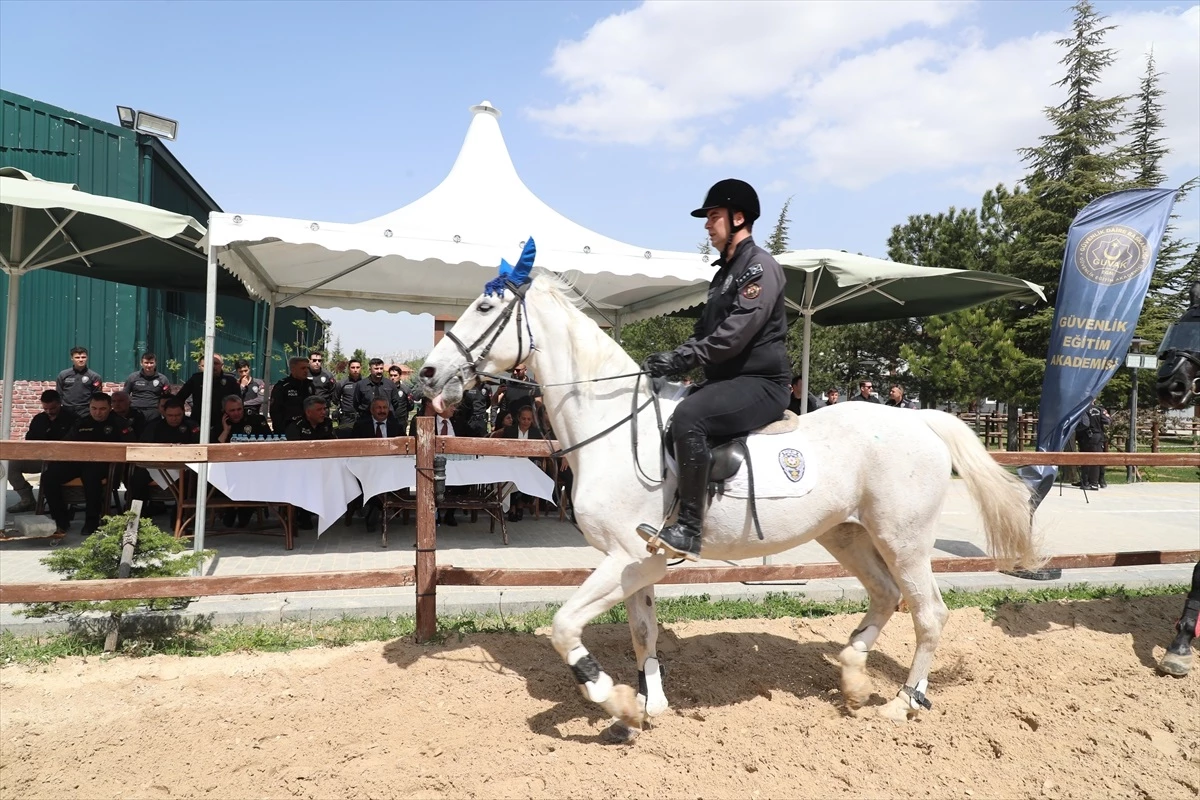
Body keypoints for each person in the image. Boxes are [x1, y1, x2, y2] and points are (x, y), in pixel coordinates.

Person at [639, 179, 790, 561]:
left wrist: (683, 360)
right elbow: (705, 332)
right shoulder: (723, 275)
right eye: (707, 218)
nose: (707, 225)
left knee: (690, 417)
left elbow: (734, 335)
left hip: (761, 383)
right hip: (727, 380)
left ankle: (689, 528)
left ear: (738, 218)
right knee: (667, 412)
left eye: (713, 216)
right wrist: (673, 357)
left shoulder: (760, 267)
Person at [42, 393, 134, 536]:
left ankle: (92, 522)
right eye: (94, 408)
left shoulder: (119, 423)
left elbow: (131, 446)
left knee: (91, 477)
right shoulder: (82, 422)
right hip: (78, 462)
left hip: (105, 465)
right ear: (89, 407)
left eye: (102, 409)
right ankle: (61, 520)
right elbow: (66, 443)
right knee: (49, 476)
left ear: (110, 408)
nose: (98, 412)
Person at [6, 389, 77, 514]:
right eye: (46, 409)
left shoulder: (72, 419)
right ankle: (27, 500)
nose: (49, 412)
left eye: (53, 408)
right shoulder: (39, 419)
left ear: (60, 403)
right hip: (40, 457)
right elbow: (29, 440)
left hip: (64, 460)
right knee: (12, 465)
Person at [124, 398, 200, 505]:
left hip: (184, 466)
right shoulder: (155, 425)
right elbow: (143, 445)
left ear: (183, 412)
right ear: (164, 413)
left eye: (178, 415)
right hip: (157, 465)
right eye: (170, 415)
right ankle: (139, 513)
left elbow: (198, 446)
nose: (174, 419)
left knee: (191, 481)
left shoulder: (191, 425)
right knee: (137, 479)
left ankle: (180, 516)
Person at [284, 396, 334, 530]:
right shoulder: (296, 425)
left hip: (323, 466)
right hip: (300, 469)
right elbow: (292, 451)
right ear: (308, 412)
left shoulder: (327, 424)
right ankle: (303, 515)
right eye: (319, 410)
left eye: (324, 409)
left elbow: (333, 445)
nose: (324, 412)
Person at [501, 405, 544, 522]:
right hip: (511, 462)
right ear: (519, 418)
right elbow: (503, 449)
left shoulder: (536, 433)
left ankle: (520, 503)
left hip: (529, 464)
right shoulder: (510, 431)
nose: (526, 421)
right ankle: (513, 507)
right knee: (512, 476)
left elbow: (539, 452)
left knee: (530, 474)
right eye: (523, 418)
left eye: (529, 419)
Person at [176, 354, 240, 426]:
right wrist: (182, 418)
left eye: (216, 363)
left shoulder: (230, 381)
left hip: (224, 424)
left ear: (222, 365)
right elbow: (179, 398)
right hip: (199, 423)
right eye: (210, 363)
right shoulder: (196, 379)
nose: (213, 366)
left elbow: (238, 402)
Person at [270, 357, 315, 433]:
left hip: (307, 429)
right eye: (303, 368)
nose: (306, 371)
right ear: (293, 369)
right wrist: (282, 430)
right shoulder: (283, 386)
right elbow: (275, 411)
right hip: (287, 429)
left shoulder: (309, 385)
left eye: (307, 368)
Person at [56, 346, 103, 419]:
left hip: (86, 411)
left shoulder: (95, 377)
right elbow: (59, 394)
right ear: (72, 358)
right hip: (66, 411)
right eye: (77, 357)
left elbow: (97, 397)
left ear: (87, 358)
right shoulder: (63, 375)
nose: (81, 360)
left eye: (83, 357)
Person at [123, 352, 171, 422]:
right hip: (135, 410)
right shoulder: (132, 377)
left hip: (154, 411)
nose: (149, 365)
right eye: (146, 363)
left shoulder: (163, 379)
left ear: (155, 363)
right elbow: (124, 394)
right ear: (141, 363)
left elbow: (167, 398)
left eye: (151, 363)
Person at [1073, 400, 1109, 491]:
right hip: (1099, 437)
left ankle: (1087, 482)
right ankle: (1097, 482)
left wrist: (1076, 429)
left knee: (1086, 459)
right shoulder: (1100, 409)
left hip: (1087, 437)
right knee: (1097, 459)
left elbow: (1085, 423)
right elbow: (1108, 421)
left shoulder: (1083, 409)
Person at [334, 358, 364, 429]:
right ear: (349, 369)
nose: (355, 370)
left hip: (363, 417)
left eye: (357, 367)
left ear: (361, 368)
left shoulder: (366, 383)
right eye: (353, 367)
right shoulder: (341, 383)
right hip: (346, 418)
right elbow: (335, 399)